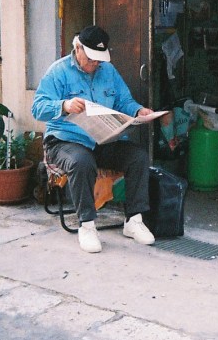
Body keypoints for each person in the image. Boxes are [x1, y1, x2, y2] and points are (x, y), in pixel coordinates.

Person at [32, 25, 157, 253]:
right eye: (91, 59)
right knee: (81, 162)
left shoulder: (108, 71)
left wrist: (138, 111)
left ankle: (134, 220)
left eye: (99, 60)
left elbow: (124, 101)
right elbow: (37, 108)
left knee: (138, 157)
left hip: (103, 139)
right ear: (78, 48)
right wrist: (64, 105)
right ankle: (87, 225)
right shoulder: (58, 72)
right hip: (65, 140)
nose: (95, 64)